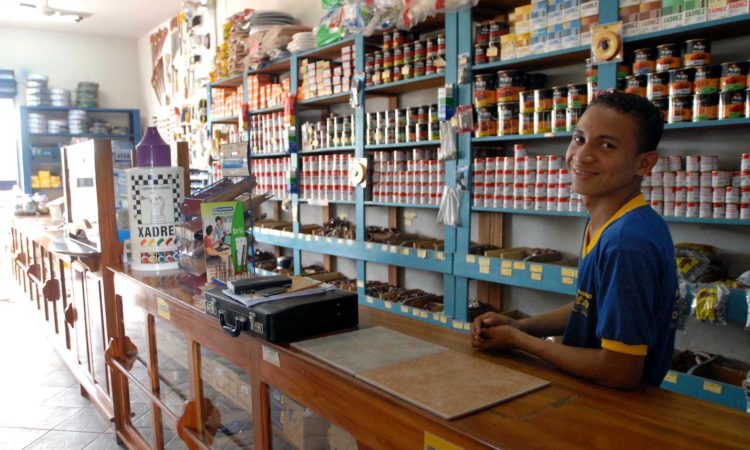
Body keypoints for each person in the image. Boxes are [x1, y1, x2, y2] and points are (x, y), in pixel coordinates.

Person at [471, 91, 679, 390]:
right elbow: (590, 306)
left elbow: (620, 371)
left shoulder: (626, 242)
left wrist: (520, 341)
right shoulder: (610, 221)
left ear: (644, 164)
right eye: (579, 139)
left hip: (616, 413)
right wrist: (519, 326)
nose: (582, 156)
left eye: (607, 145)